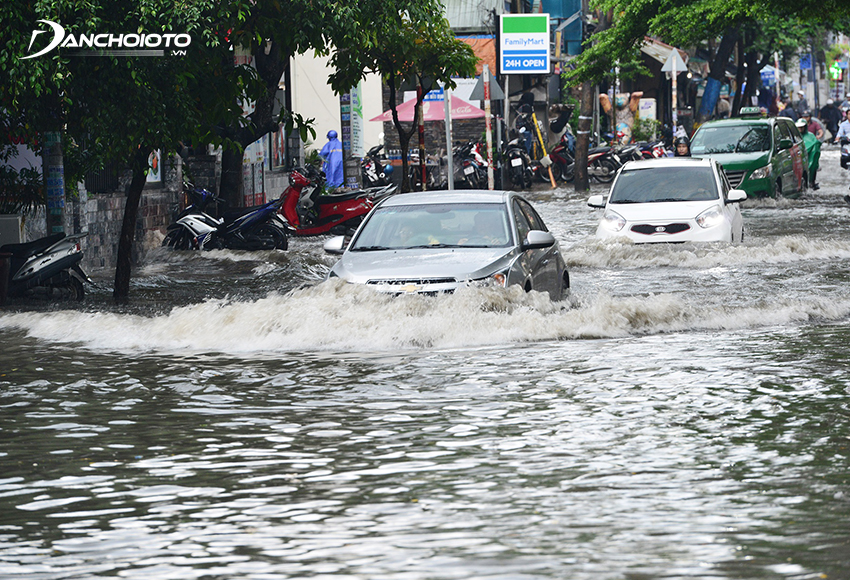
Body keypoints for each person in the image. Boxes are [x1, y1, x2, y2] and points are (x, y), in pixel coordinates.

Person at [796, 118, 820, 190]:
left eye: (801, 127)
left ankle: (812, 182)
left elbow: (815, 146)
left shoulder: (811, 136)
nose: (800, 129)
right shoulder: (794, 136)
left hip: (809, 159)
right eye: (798, 127)